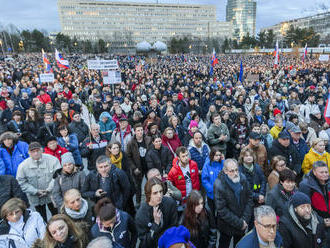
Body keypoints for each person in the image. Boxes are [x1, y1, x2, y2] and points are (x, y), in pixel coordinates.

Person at [213, 158, 253, 248]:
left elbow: (249, 198)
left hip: (242, 222)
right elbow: (222, 210)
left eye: (236, 170)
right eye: (232, 171)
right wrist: (240, 223)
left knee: (239, 245)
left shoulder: (242, 179)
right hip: (227, 226)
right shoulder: (219, 185)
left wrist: (245, 219)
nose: (235, 173)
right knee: (224, 244)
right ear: (225, 171)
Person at [16, 142, 61, 222]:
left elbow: (58, 176)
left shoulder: (53, 160)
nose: (36, 153)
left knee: (56, 215)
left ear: (42, 150)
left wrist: (49, 189)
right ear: (29, 153)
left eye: (37, 150)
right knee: (41, 218)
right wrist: (35, 191)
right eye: (33, 151)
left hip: (52, 194)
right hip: (36, 197)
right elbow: (21, 182)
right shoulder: (23, 166)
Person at [135, 177, 178, 248]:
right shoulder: (141, 214)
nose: (159, 196)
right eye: (155, 193)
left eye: (161, 191)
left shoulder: (170, 203)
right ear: (149, 194)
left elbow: (174, 226)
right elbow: (145, 242)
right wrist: (155, 224)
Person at [299, 161, 330, 244]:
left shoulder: (328, 182)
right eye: (321, 172)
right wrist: (322, 221)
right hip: (317, 224)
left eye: (326, 172)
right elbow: (305, 208)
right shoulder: (305, 185)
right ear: (314, 172)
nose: (325, 174)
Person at [126, 123, 152, 208]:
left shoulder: (148, 139)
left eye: (141, 130)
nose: (140, 132)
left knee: (151, 184)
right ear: (134, 132)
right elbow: (128, 157)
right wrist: (134, 168)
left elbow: (152, 152)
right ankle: (138, 202)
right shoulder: (131, 143)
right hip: (138, 167)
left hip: (148, 166)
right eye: (138, 130)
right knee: (138, 186)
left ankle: (151, 200)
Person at [201, 148, 225, 216]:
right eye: (216, 155)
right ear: (212, 155)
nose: (218, 157)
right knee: (211, 212)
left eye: (219, 155)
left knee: (221, 212)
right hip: (211, 194)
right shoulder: (207, 165)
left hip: (222, 194)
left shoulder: (223, 163)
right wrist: (212, 189)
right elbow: (204, 180)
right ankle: (213, 225)